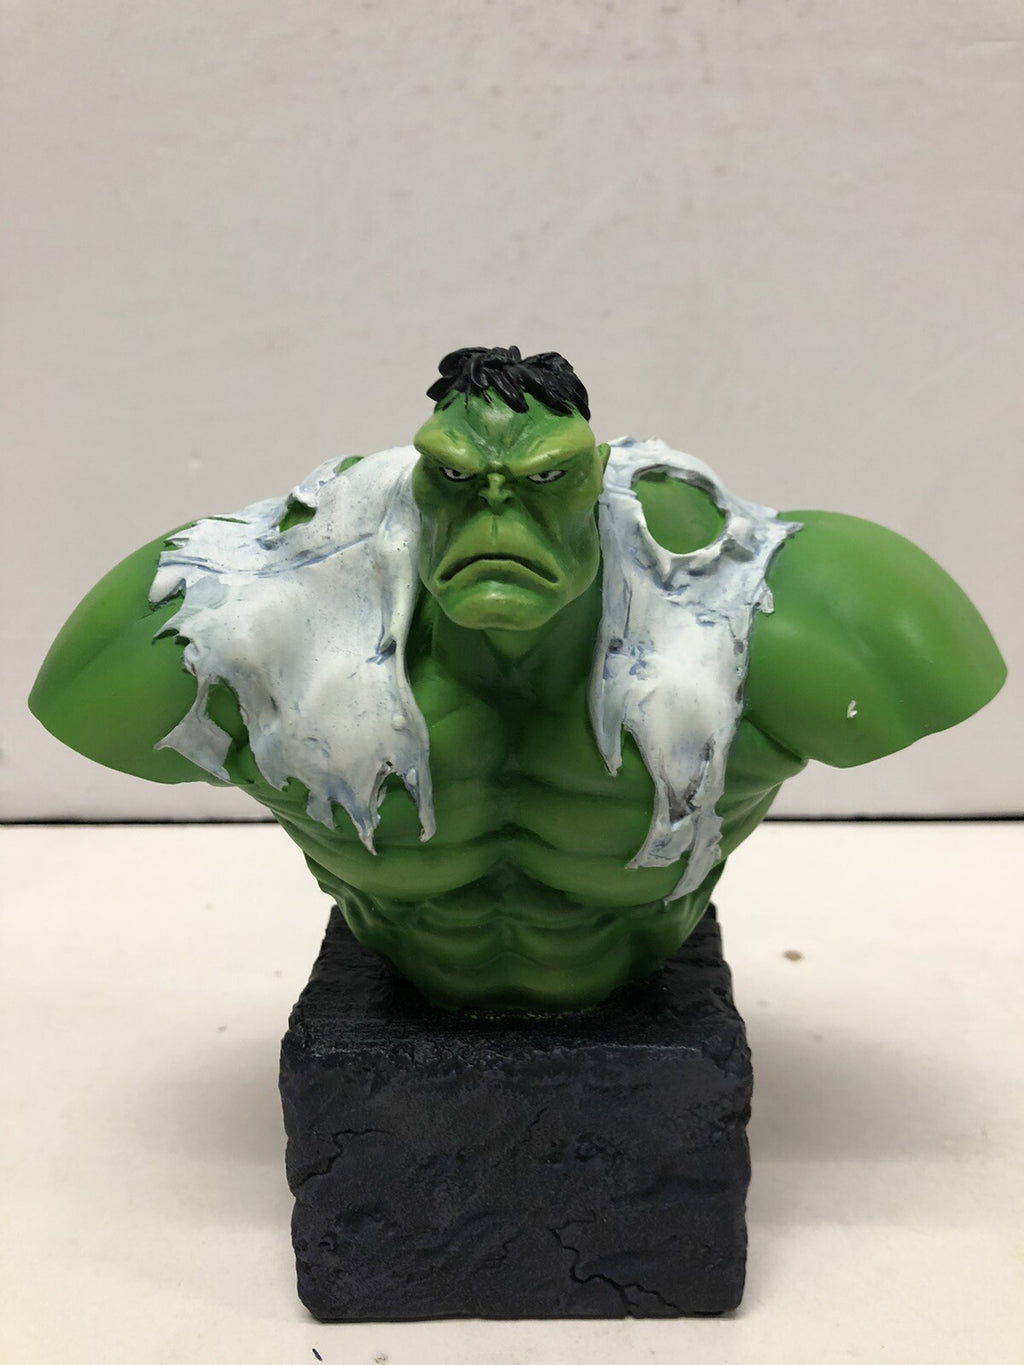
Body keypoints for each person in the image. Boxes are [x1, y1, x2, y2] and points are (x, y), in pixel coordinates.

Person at [30, 347, 1005, 1009]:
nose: (499, 527)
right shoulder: (242, 618)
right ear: (421, 481)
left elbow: (922, 668)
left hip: (636, 986)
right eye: (458, 481)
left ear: (594, 476)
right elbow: (83, 704)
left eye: (544, 483)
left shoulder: (759, 604)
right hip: (400, 995)